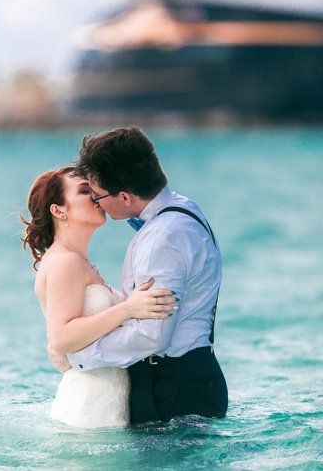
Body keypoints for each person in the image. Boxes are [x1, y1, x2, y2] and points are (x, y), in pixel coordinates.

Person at [54, 127, 228, 426]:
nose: (96, 203)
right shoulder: (184, 208)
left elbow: (151, 335)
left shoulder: (162, 237)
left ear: (124, 196)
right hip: (188, 379)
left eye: (97, 196)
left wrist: (80, 358)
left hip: (171, 388)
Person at [23, 167, 176, 428]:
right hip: (89, 405)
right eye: (85, 191)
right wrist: (127, 309)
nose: (96, 197)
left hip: (106, 397)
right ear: (59, 210)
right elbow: (61, 337)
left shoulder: (76, 260)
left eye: (94, 191)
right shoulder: (65, 262)